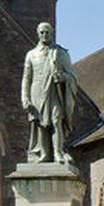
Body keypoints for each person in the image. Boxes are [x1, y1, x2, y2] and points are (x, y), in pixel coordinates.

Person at [21, 22, 76, 163]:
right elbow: (26, 78)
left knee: (56, 120)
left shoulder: (60, 53)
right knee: (41, 124)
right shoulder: (31, 55)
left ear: (52, 33)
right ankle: (44, 154)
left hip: (53, 91)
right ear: (38, 34)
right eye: (42, 32)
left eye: (47, 32)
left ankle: (58, 153)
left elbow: (71, 75)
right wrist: (25, 98)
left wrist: (63, 77)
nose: (44, 35)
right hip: (37, 92)